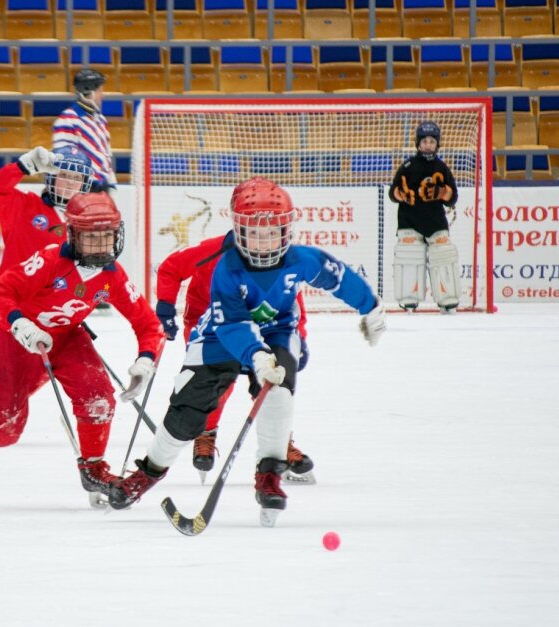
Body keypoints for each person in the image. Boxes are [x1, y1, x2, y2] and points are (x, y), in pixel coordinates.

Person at [107, 177, 387, 527]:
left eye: (272, 231)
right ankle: (148, 471)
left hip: (279, 332)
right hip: (219, 336)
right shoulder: (227, 267)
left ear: (287, 230)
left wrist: (371, 307)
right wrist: (255, 356)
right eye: (254, 232)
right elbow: (232, 325)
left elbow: (339, 278)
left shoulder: (301, 259)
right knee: (185, 411)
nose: (263, 240)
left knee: (278, 396)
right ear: (238, 230)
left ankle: (269, 473)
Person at [0, 192, 165, 505]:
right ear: (73, 234)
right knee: (3, 431)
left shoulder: (113, 276)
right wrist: (21, 324)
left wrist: (146, 362)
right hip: (12, 339)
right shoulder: (48, 260)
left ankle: (94, 468)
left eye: (107, 236)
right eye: (91, 237)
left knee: (97, 397)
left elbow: (149, 325)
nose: (101, 245)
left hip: (66, 337)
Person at [0, 145, 95, 444]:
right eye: (62, 175)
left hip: (52, 312)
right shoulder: (25, 207)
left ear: (86, 183)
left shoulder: (87, 222)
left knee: (39, 370)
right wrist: (23, 165)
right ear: (50, 178)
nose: (69, 183)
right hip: (8, 305)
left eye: (76, 177)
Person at [156, 233, 316, 484]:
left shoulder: (282, 259)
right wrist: (165, 305)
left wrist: (298, 340)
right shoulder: (213, 248)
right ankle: (205, 432)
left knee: (272, 380)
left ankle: (279, 443)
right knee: (216, 381)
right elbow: (170, 268)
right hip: (206, 322)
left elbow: (293, 305)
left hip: (260, 322)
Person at [389, 120, 460, 312]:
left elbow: (453, 197)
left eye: (432, 141)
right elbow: (392, 193)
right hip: (409, 220)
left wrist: (444, 193)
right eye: (424, 141)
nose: (428, 144)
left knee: (443, 256)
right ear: (418, 143)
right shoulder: (407, 166)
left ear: (437, 144)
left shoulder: (442, 167)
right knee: (409, 257)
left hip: (435, 221)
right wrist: (400, 194)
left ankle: (448, 299)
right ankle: (409, 298)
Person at [53, 68, 116, 195]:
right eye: (100, 91)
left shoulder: (101, 120)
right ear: (89, 92)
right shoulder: (68, 119)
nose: (102, 95)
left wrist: (111, 183)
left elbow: (106, 155)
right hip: (81, 189)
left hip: (102, 188)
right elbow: (62, 158)